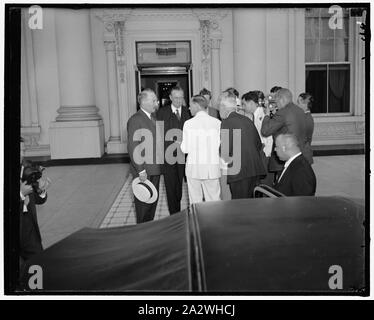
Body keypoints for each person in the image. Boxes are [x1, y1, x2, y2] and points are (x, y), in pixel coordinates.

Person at [219, 91, 266, 199]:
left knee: (239, 207)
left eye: (220, 107)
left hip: (239, 172)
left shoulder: (227, 122)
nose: (219, 110)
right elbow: (258, 144)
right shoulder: (247, 120)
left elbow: (225, 152)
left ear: (224, 107)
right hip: (255, 169)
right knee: (252, 204)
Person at [127, 88, 162, 223]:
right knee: (143, 205)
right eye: (154, 100)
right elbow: (133, 146)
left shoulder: (152, 118)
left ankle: (149, 230)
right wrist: (140, 169)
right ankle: (142, 232)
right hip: (144, 170)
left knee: (152, 202)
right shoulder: (136, 120)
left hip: (155, 168)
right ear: (144, 101)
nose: (156, 103)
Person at [180, 95, 221, 204]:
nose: (189, 108)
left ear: (197, 105)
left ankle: (197, 221)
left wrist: (181, 144)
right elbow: (219, 145)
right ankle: (214, 221)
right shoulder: (217, 123)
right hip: (212, 168)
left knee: (195, 201)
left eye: (190, 105)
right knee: (214, 200)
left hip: (194, 168)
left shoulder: (188, 124)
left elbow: (185, 149)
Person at [261, 88, 308, 182]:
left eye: (277, 101)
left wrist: (266, 115)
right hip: (299, 153)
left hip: (285, 157)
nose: (276, 105)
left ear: (282, 99)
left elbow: (265, 131)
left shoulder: (282, 113)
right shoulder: (300, 111)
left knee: (285, 185)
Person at [156, 86, 191, 214]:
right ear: (170, 98)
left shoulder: (188, 112)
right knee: (170, 186)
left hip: (184, 156)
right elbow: (158, 135)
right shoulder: (161, 113)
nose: (178, 100)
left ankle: (178, 204)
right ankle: (174, 213)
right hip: (167, 156)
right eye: (176, 98)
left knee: (180, 185)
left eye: (181, 97)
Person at [20, 138, 50, 268]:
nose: (21, 154)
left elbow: (38, 199)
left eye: (22, 150)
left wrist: (41, 190)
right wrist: (20, 194)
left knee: (38, 266)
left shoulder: (26, 169)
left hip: (29, 229)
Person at [241, 91, 274, 186]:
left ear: (251, 103)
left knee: (265, 184)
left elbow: (268, 137)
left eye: (244, 104)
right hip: (260, 155)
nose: (243, 107)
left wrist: (266, 156)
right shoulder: (255, 116)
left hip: (264, 155)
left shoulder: (261, 116)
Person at [297, 93, 314, 164]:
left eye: (298, 102)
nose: (297, 105)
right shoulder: (304, 116)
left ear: (303, 102)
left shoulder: (306, 119)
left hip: (303, 155)